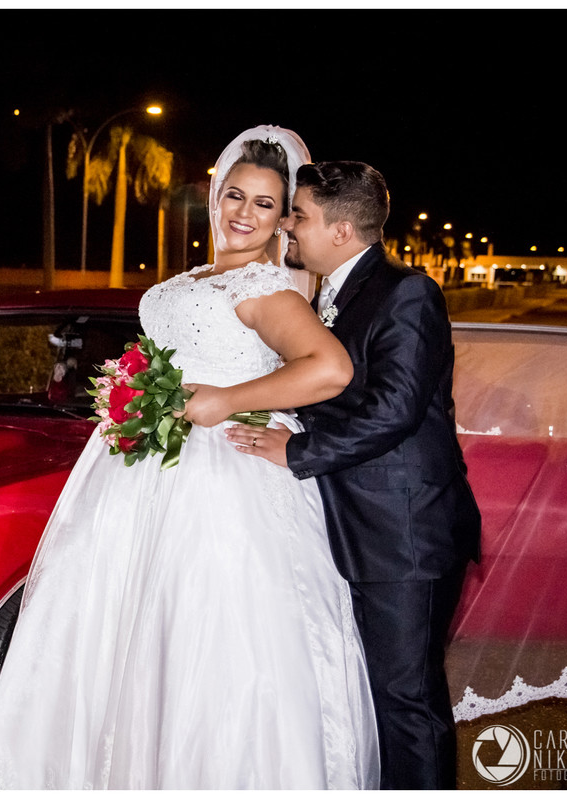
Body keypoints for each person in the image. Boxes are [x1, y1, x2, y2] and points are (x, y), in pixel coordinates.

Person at [0, 126, 380, 790]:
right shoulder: (197, 277)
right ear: (215, 196)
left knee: (205, 641)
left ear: (283, 220)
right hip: (140, 471)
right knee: (114, 631)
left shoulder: (265, 287)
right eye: (235, 195)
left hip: (220, 483)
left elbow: (329, 368)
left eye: (265, 204)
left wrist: (225, 400)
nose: (244, 213)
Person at [223, 161, 482, 789]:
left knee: (406, 701)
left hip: (405, 534)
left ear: (341, 231)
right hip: (351, 524)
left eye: (299, 215)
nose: (287, 225)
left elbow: (394, 410)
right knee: (376, 696)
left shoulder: (407, 292)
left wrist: (298, 451)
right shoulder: (326, 293)